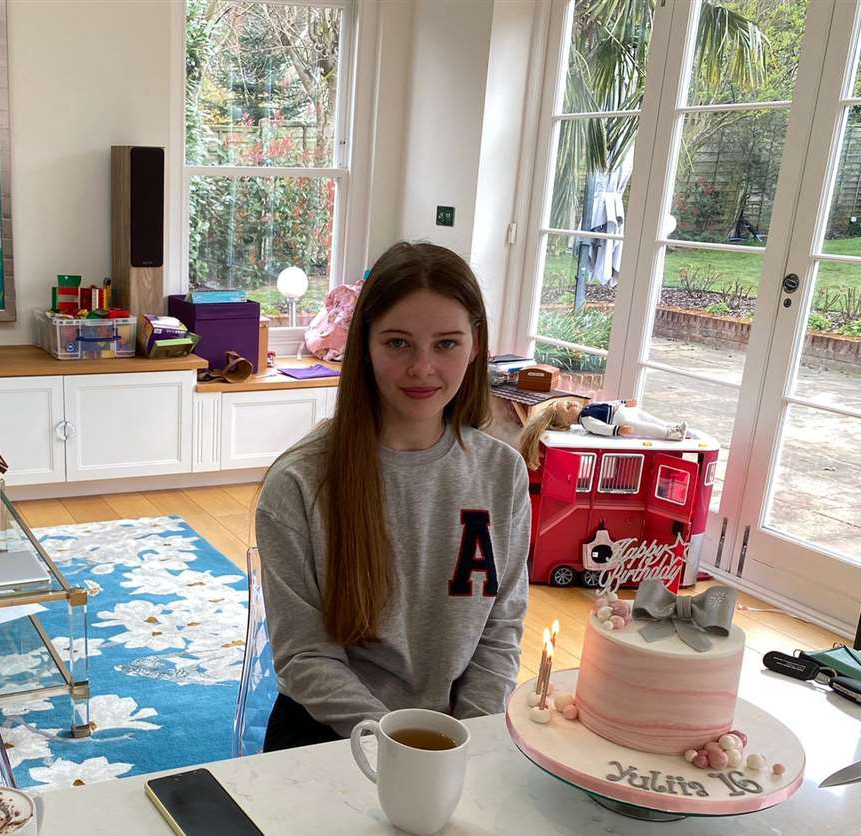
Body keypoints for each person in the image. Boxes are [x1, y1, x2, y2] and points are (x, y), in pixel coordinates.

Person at [254, 241, 532, 751]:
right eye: (398, 343)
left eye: (446, 344)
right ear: (365, 346)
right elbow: (304, 656)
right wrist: (407, 744)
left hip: (458, 739)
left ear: (475, 345)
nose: (423, 369)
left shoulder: (503, 473)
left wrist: (466, 735)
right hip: (330, 741)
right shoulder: (299, 483)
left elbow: (501, 628)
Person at [518, 395, 686, 469]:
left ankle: (671, 427)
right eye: (568, 407)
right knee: (644, 427)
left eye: (569, 402)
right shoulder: (586, 420)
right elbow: (601, 428)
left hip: (621, 410)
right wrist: (617, 430)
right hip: (619, 420)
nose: (573, 404)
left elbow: (607, 403)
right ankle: (670, 434)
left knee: (649, 418)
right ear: (567, 422)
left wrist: (623, 401)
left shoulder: (588, 408)